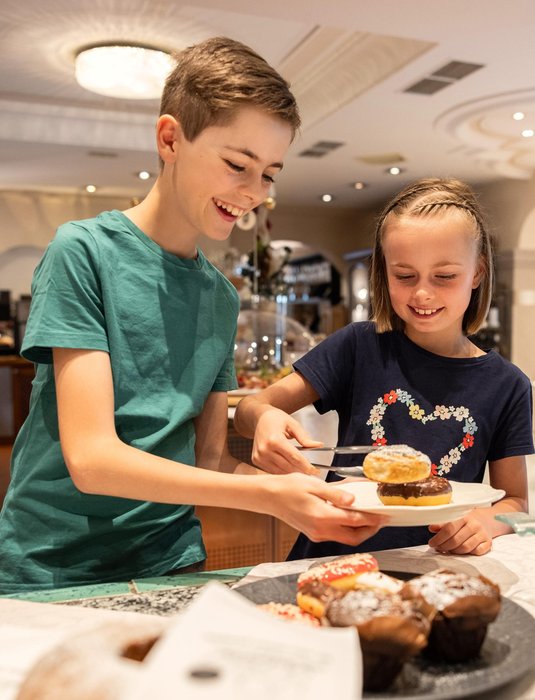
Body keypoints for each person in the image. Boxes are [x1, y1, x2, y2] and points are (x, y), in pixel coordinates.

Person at [0, 37, 385, 594]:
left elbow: (208, 461)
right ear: (169, 139)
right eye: (237, 165)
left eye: (270, 175)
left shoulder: (219, 297)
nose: (253, 193)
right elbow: (92, 458)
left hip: (170, 558)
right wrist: (269, 496)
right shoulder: (83, 252)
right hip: (53, 565)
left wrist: (315, 494)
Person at [234, 177, 533, 559]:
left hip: (434, 566)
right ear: (384, 271)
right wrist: (262, 419)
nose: (422, 293)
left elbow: (515, 502)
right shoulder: (360, 346)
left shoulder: (507, 386)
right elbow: (250, 409)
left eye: (445, 276)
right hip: (331, 556)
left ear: (477, 272)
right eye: (404, 276)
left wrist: (487, 522)